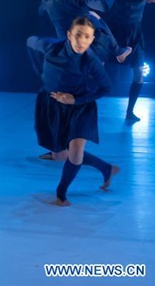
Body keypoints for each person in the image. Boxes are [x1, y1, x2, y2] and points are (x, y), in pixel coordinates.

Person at [27, 17, 120, 206]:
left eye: (87, 37)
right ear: (69, 35)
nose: (82, 41)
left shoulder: (91, 60)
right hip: (54, 106)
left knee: (76, 154)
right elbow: (30, 41)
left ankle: (61, 195)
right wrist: (41, 74)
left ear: (92, 39)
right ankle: (106, 168)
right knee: (60, 156)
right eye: (78, 35)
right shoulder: (50, 47)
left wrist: (75, 100)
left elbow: (105, 88)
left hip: (81, 107)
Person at [105, 0, 155, 123]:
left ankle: (129, 112)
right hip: (115, 32)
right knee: (97, 65)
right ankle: (82, 104)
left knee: (139, 73)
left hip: (134, 34)